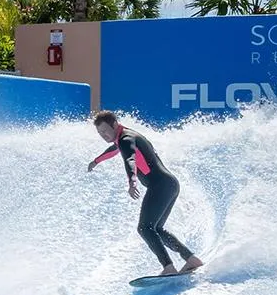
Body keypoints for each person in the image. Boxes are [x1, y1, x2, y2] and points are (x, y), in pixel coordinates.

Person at [87, 110, 203, 276]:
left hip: (160, 185)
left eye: (105, 130)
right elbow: (115, 149)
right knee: (157, 229)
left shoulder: (126, 139)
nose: (103, 135)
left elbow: (130, 160)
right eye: (100, 133)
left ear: (115, 125)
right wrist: (96, 161)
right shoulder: (127, 137)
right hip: (170, 184)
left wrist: (132, 181)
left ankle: (168, 267)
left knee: (144, 228)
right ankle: (191, 259)